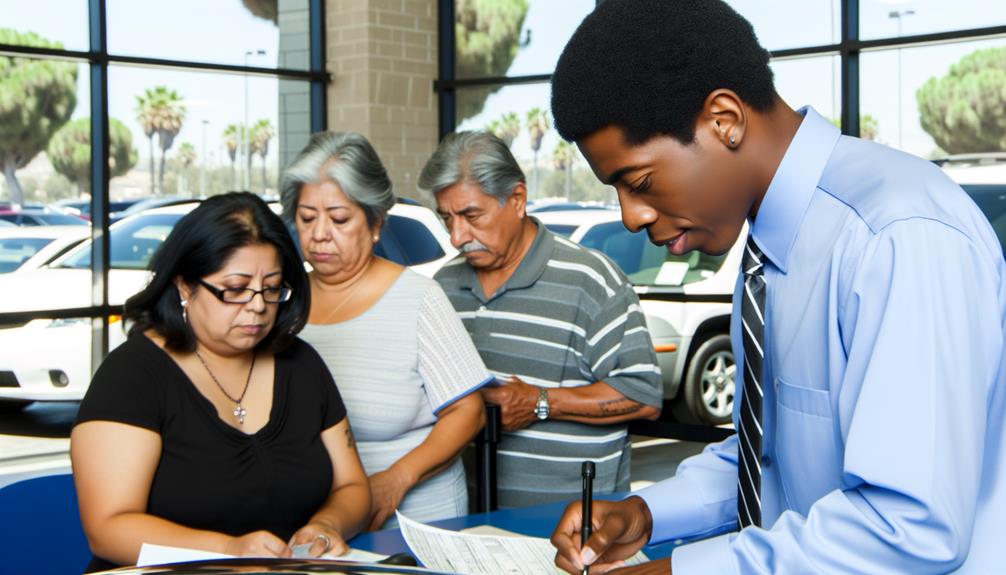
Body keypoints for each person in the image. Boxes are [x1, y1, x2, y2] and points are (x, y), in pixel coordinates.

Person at [547, 1, 1006, 574]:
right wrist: (644, 513)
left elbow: (909, 528)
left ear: (724, 120)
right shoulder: (771, 247)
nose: (632, 216)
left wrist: (674, 573)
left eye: (638, 181)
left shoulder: (896, 233)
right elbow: (765, 462)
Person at [71, 192, 371, 572]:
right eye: (235, 289)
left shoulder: (300, 363)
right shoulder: (132, 376)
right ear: (184, 286)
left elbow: (353, 488)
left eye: (273, 288)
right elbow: (108, 528)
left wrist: (326, 526)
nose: (258, 306)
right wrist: (227, 549)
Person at [419, 130, 663, 508]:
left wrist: (540, 402)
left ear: (517, 199)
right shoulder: (443, 286)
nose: (456, 236)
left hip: (568, 530)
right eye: (446, 218)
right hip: (464, 522)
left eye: (471, 216)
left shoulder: (591, 280)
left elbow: (642, 396)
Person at [280, 131, 489, 530]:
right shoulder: (282, 302)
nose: (320, 234)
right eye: (307, 218)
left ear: (375, 223)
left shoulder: (418, 299)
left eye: (339, 219)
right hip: (314, 519)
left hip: (414, 518)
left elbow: (468, 412)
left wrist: (397, 479)